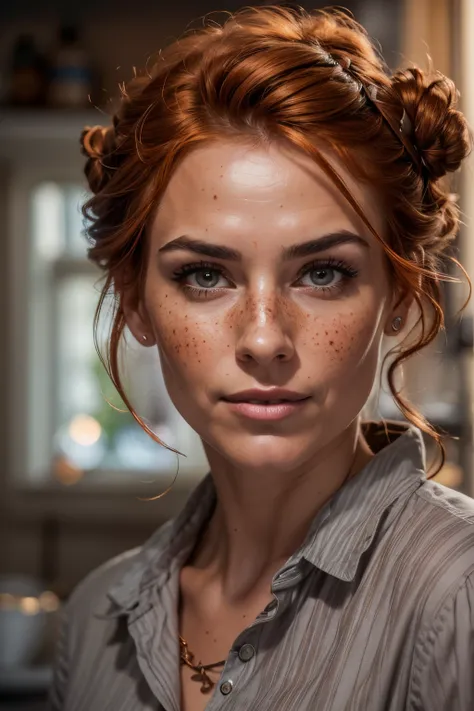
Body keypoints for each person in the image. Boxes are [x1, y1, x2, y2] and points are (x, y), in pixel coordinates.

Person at [48, 6, 474, 711]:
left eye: (323, 272)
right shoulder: (96, 623)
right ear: (136, 302)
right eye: (205, 275)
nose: (264, 337)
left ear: (401, 294)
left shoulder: (458, 596)